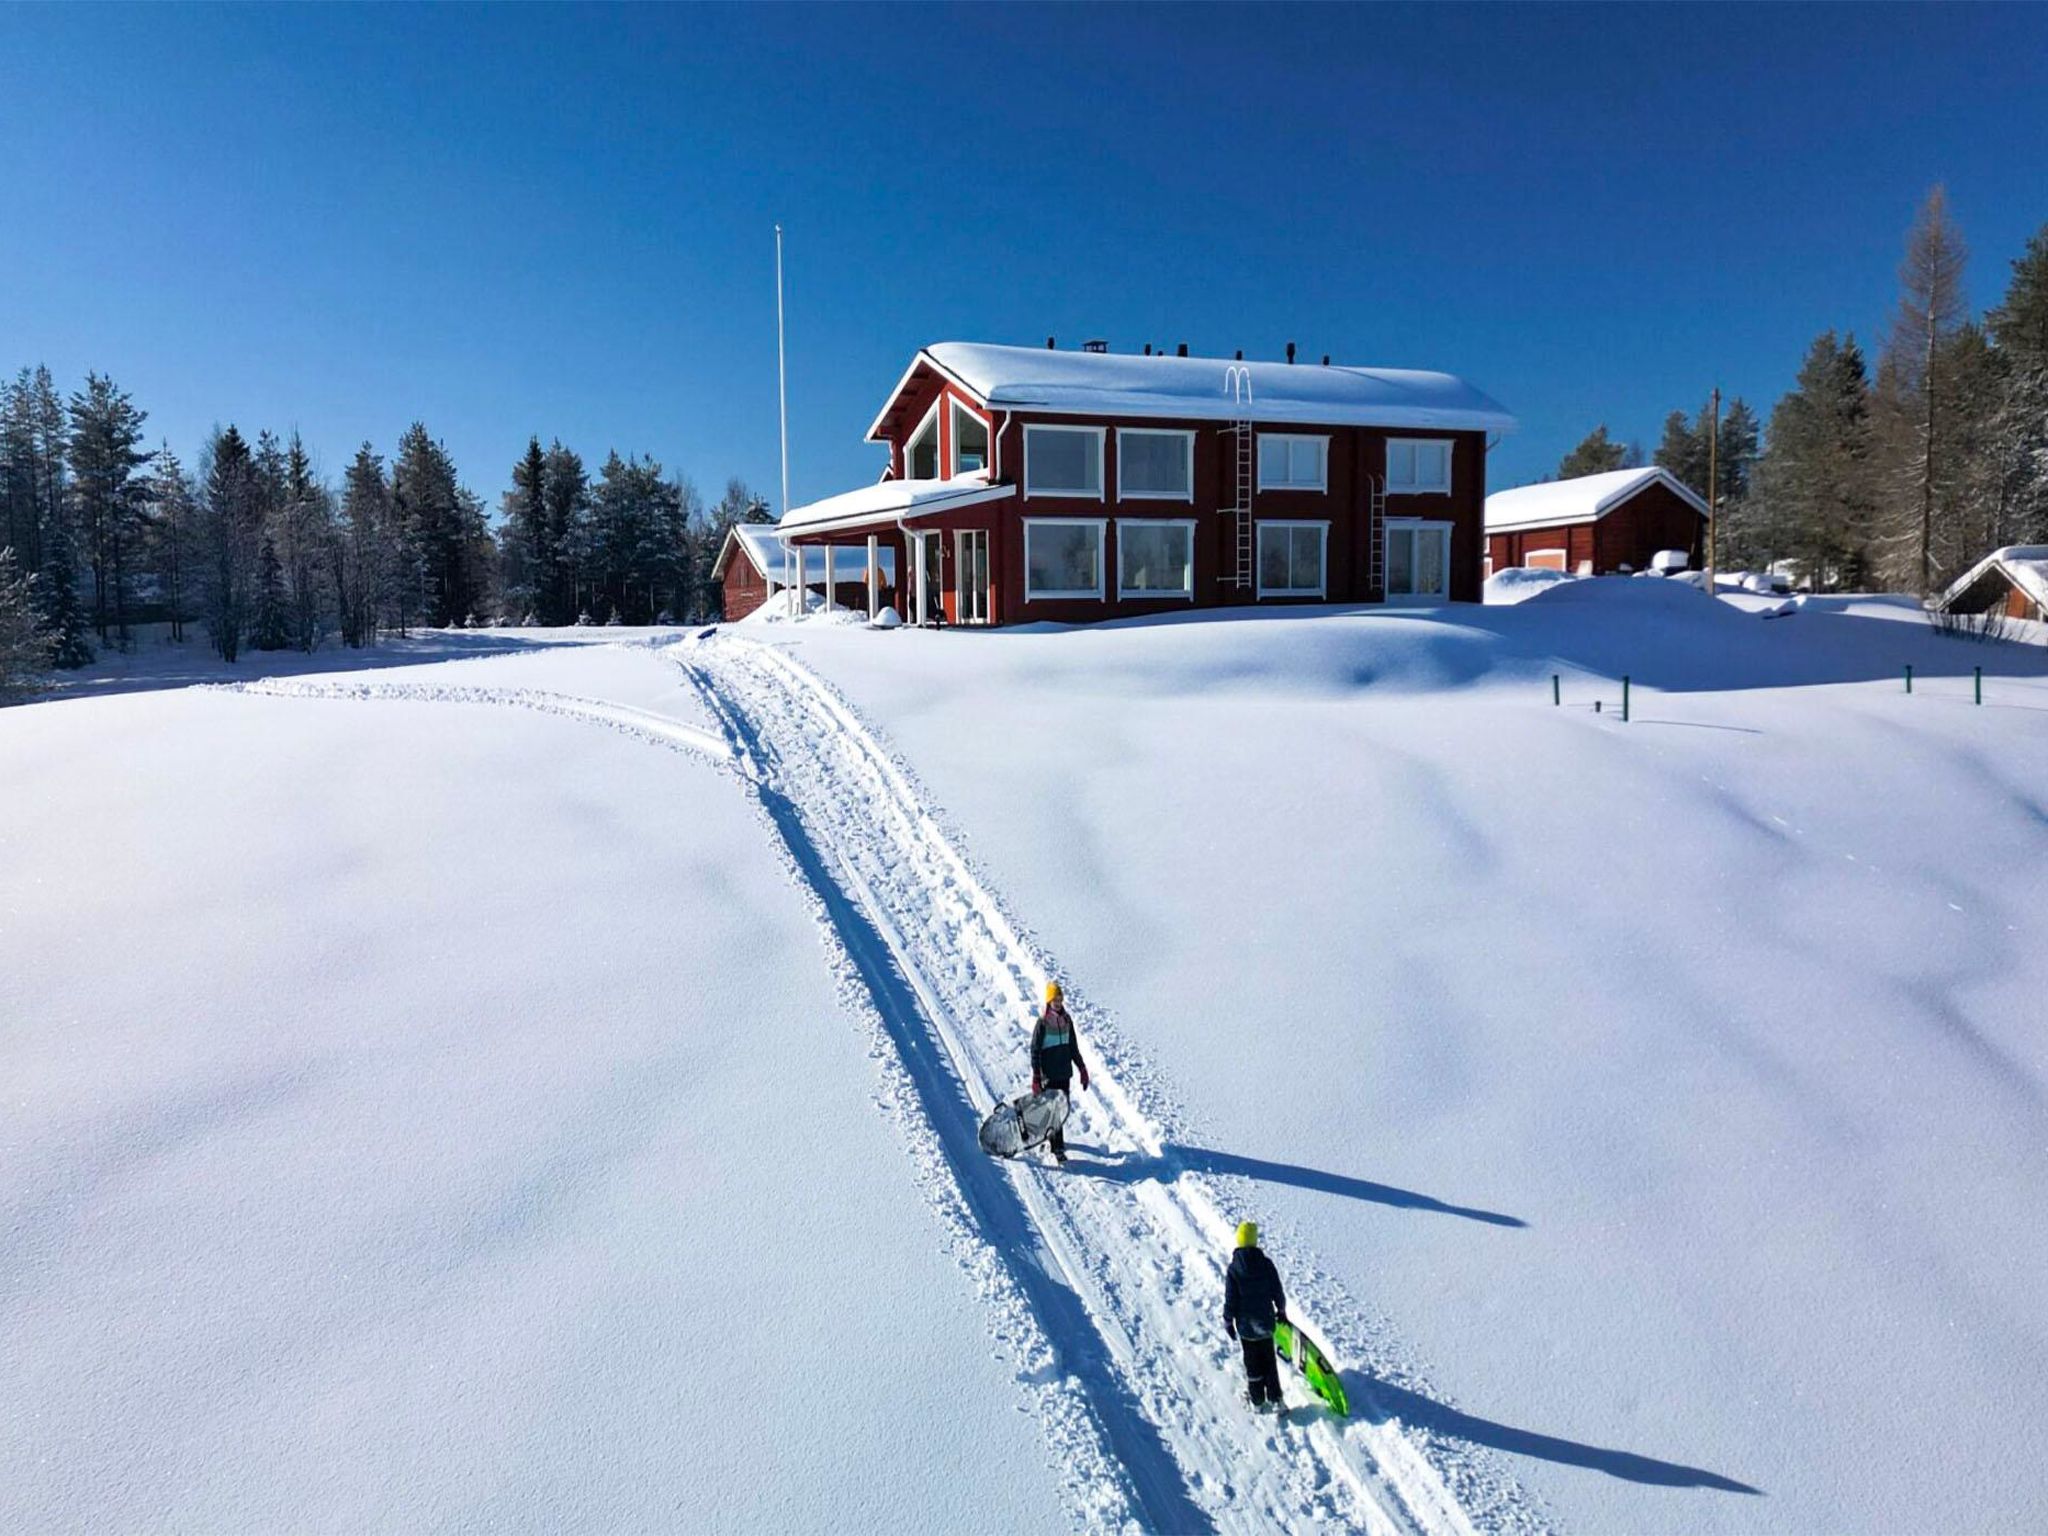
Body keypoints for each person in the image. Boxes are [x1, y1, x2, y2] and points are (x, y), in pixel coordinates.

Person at [1224, 1221, 1288, 1411]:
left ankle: (1257, 1400)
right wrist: (1281, 1310)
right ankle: (1277, 1400)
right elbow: (1277, 1289)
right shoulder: (1266, 1264)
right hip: (1266, 1323)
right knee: (1269, 1362)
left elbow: (1231, 1299)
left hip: (1246, 1327)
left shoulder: (1234, 1268)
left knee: (1252, 1363)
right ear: (1255, 1240)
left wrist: (1228, 1320)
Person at [1029, 980, 1089, 1164]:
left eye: (1060, 999)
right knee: (1055, 1110)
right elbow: (1035, 1050)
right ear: (1048, 1001)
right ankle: (1058, 1148)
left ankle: (1045, 1133)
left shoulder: (1067, 1020)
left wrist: (1082, 1068)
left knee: (1062, 1109)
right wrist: (1037, 1076)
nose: (1058, 1002)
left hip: (1064, 1073)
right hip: (1049, 1074)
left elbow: (1073, 1047)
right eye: (1054, 999)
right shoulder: (1042, 1023)